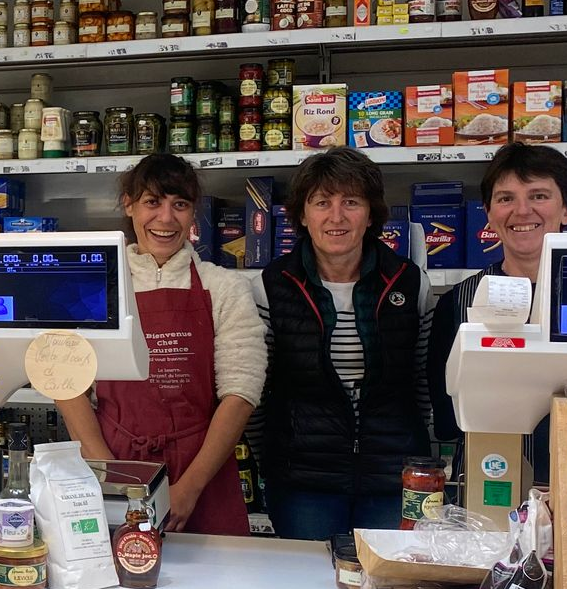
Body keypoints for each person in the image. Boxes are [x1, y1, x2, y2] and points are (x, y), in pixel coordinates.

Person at [57, 153, 265, 535]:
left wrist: (190, 487)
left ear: (193, 212)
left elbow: (241, 392)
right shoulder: (96, 287)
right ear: (129, 205)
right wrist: (111, 476)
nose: (166, 218)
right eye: (152, 202)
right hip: (115, 460)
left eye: (179, 205)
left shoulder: (225, 288)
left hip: (202, 469)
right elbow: (66, 384)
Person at [251, 147, 433, 539]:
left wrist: (424, 463)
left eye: (351, 202)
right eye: (322, 203)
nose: (337, 216)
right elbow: (257, 393)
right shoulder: (270, 287)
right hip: (303, 481)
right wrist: (272, 458)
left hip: (392, 476)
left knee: (389, 575)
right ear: (303, 215)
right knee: (309, 576)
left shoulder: (410, 283)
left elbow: (422, 384)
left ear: (370, 214)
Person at [428, 141, 567, 486]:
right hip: (488, 481)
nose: (522, 210)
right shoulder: (457, 303)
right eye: (506, 198)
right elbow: (447, 419)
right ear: (488, 212)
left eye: (539, 196)